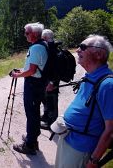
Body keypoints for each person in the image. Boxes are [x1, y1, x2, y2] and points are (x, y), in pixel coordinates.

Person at [55, 35, 113, 168]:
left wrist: (93, 161)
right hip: (68, 139)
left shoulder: (108, 85)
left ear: (98, 54)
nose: (77, 50)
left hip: (81, 147)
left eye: (82, 47)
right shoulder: (90, 76)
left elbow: (110, 130)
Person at [10, 22, 48, 155]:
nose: (25, 35)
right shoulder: (41, 45)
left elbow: (32, 71)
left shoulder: (37, 48)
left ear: (34, 34)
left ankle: (30, 145)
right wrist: (22, 70)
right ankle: (33, 139)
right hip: (37, 84)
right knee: (34, 112)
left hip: (33, 84)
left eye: (27, 33)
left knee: (31, 114)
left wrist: (17, 75)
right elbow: (34, 67)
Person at [40, 29, 60, 130]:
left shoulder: (52, 49)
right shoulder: (51, 47)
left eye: (42, 38)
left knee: (51, 100)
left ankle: (51, 124)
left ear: (45, 38)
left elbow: (56, 68)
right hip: (49, 79)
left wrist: (52, 82)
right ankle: (46, 116)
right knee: (46, 99)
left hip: (52, 81)